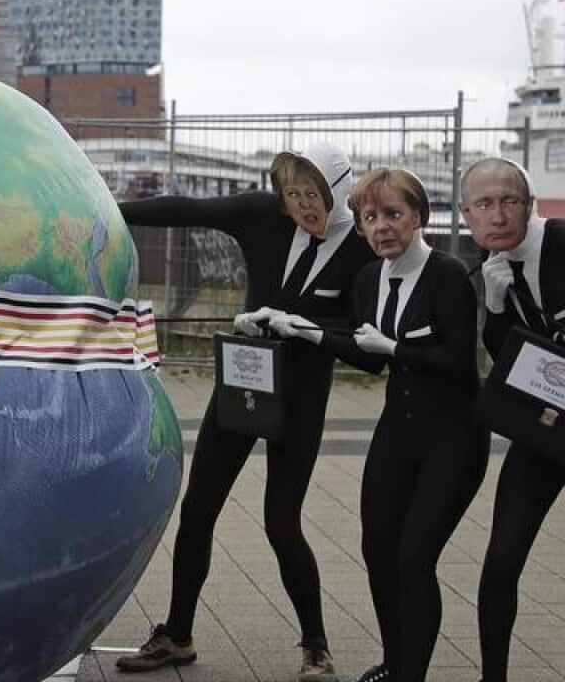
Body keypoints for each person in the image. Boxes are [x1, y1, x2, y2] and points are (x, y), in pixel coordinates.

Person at [114, 142, 375, 680]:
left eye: (314, 194)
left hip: (302, 398)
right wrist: (104, 205)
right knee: (199, 509)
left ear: (340, 189)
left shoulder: (363, 250)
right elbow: (183, 209)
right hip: (244, 382)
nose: (302, 205)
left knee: (282, 522)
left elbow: (363, 345)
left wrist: (305, 330)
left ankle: (316, 647)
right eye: (293, 193)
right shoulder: (264, 214)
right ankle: (177, 635)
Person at [274, 169, 488, 682]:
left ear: (417, 217)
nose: (381, 227)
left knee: (414, 558)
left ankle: (410, 673)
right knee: (377, 549)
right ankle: (396, 662)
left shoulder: (448, 275)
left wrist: (395, 349)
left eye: (393, 214)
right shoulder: (370, 277)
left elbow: (459, 362)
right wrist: (298, 328)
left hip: (453, 436)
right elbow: (365, 354)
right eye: (370, 217)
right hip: (398, 432)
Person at [460, 158, 565, 682]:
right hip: (547, 432)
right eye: (484, 205)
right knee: (502, 557)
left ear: (532, 204)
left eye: (508, 201)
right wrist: (497, 307)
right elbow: (510, 362)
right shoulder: (491, 269)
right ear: (467, 216)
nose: (497, 215)